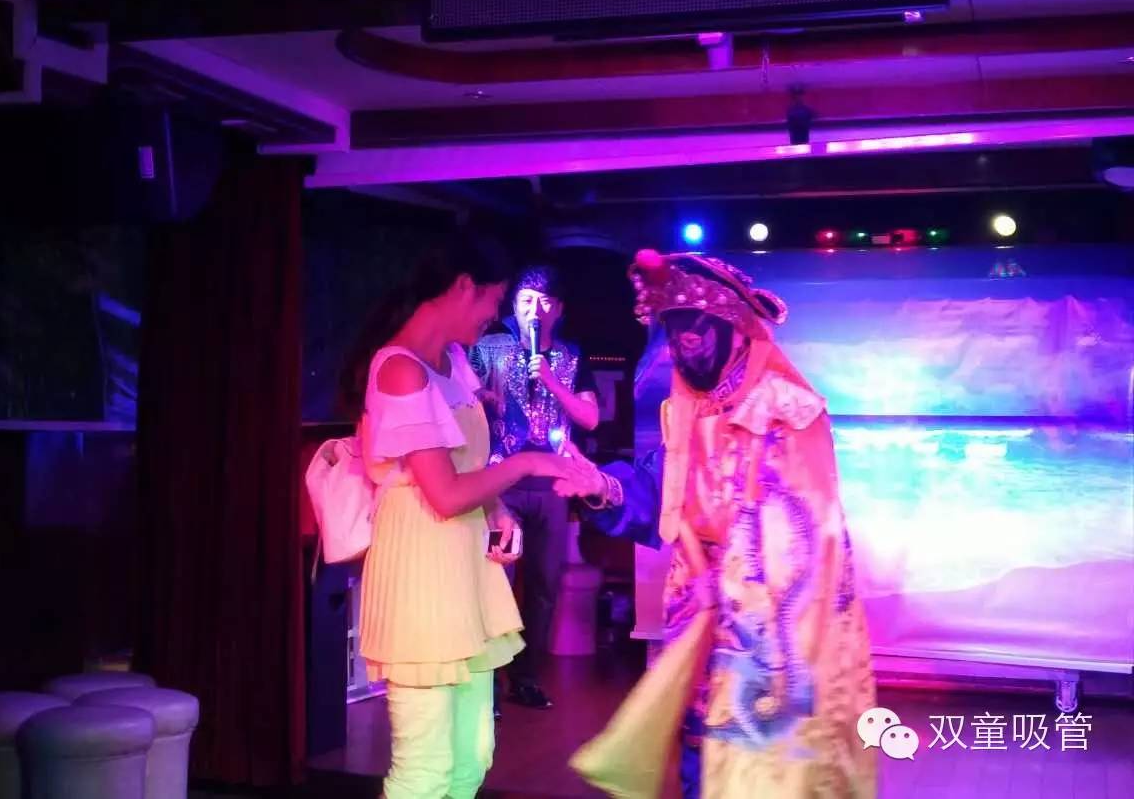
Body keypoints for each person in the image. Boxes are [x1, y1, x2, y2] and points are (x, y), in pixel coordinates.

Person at [557, 250, 877, 799]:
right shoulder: (689, 410)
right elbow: (662, 495)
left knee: (761, 772)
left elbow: (802, 536)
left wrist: (726, 584)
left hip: (770, 633)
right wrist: (602, 487)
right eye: (674, 330)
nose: (685, 345)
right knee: (699, 759)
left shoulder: (788, 411)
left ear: (735, 329)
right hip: (701, 619)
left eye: (697, 329)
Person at [339, 233, 591, 799]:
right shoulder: (398, 369)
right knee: (424, 769)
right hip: (420, 571)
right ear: (462, 287)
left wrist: (498, 508)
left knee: (471, 758)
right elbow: (444, 494)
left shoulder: (452, 362)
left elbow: (467, 466)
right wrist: (529, 462)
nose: (494, 317)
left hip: (464, 570)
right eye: (494, 300)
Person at [468, 265, 600, 711]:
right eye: (525, 301)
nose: (534, 311)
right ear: (513, 305)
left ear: (558, 309)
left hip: (552, 487)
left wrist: (550, 380)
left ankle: (526, 677)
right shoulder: (488, 349)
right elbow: (462, 398)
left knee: (544, 585)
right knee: (497, 581)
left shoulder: (571, 357)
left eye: (544, 302)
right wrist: (484, 397)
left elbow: (589, 418)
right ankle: (487, 685)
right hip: (500, 485)